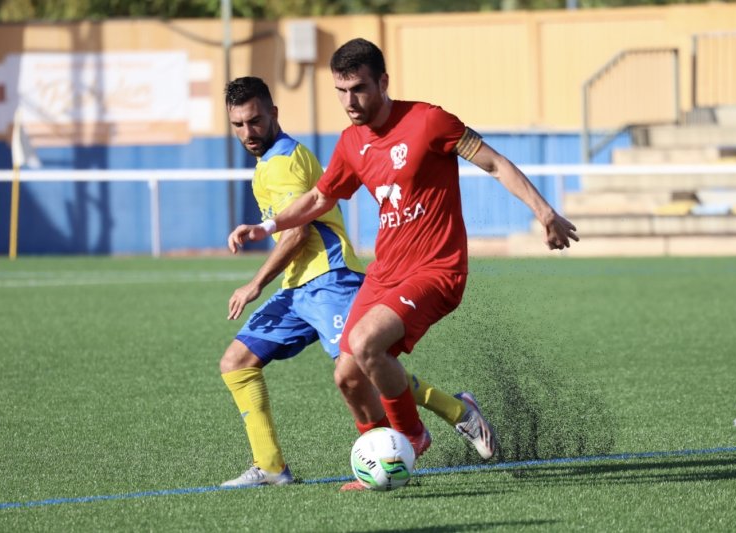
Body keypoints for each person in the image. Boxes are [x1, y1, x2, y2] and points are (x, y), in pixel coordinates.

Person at [228, 40, 579, 490]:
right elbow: (319, 198)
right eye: (340, 90)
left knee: (366, 341)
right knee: (348, 376)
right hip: (384, 273)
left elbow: (494, 164)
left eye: (358, 89)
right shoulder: (352, 143)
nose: (349, 102)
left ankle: (410, 437)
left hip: (437, 269)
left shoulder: (429, 121)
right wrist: (267, 226)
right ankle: (384, 459)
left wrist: (544, 211)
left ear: (383, 83)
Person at [219, 76, 496, 488]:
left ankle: (450, 416)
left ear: (274, 113)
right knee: (236, 363)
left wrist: (254, 283)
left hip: (330, 280)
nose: (248, 132)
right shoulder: (267, 162)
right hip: (297, 289)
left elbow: (298, 230)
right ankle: (272, 467)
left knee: (361, 370)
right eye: (238, 125)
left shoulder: (284, 161)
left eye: (255, 121)